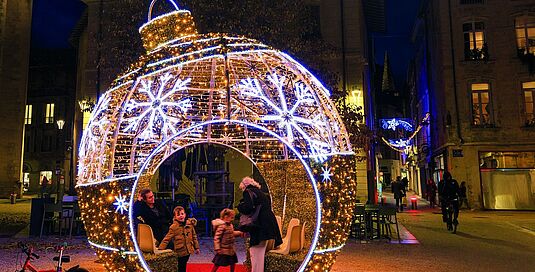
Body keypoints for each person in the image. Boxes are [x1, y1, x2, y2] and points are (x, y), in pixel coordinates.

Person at [237, 177, 282, 272]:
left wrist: (240, 207)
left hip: (259, 226)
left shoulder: (247, 191)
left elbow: (248, 207)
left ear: (244, 185)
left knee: (255, 251)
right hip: (267, 224)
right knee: (260, 251)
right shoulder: (259, 192)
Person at [158, 206, 200, 272]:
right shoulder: (173, 227)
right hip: (180, 251)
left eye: (182, 214)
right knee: (181, 266)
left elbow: (194, 236)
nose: (181, 216)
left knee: (184, 265)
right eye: (178, 215)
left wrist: (196, 247)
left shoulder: (190, 225)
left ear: (185, 214)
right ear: (175, 217)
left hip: (188, 250)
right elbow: (167, 239)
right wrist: (160, 249)